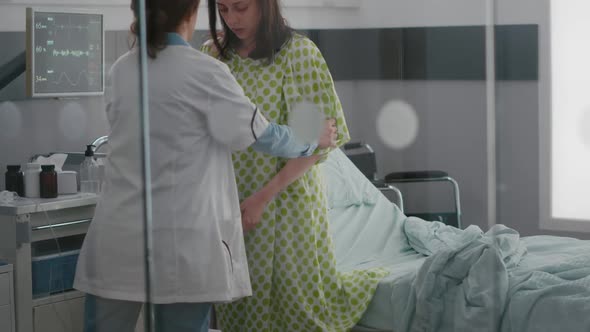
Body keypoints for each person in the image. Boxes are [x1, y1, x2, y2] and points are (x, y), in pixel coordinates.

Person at [73, 0, 338, 331]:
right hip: (181, 243)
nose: (231, 18)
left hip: (117, 237)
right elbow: (263, 136)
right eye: (224, 8)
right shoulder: (206, 69)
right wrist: (312, 138)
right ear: (191, 12)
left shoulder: (121, 70)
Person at [201, 0, 388, 330]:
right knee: (240, 310)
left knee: (297, 308)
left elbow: (314, 145)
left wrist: (263, 197)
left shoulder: (297, 55)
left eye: (241, 7)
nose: (232, 19)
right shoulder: (213, 57)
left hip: (288, 200)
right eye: (224, 9)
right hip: (232, 199)